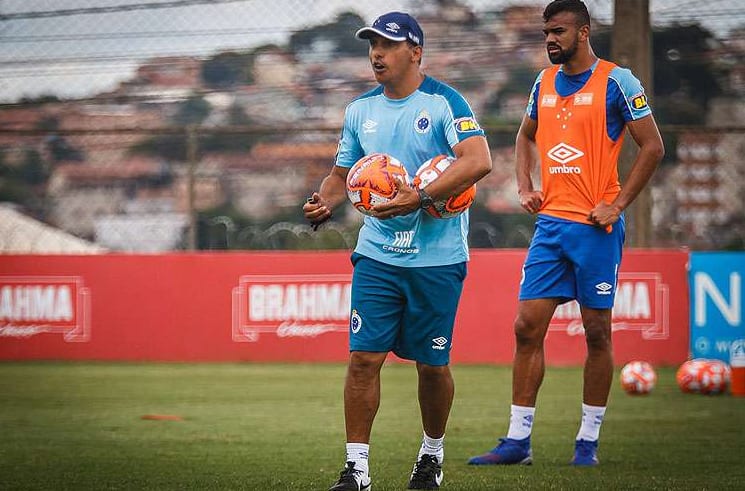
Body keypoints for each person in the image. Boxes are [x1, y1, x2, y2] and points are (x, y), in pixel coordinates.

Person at [468, 0, 664, 467]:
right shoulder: (543, 82)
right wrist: (524, 185)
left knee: (597, 332)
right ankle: (518, 442)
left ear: (583, 32)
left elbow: (653, 146)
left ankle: (587, 443)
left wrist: (616, 204)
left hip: (596, 231)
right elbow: (524, 135)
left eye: (558, 31)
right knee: (526, 327)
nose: (550, 40)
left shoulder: (618, 81)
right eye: (546, 33)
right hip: (550, 227)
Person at [303, 11, 492, 491]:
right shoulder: (359, 110)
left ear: (416, 51)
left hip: (437, 258)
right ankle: (357, 470)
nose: (376, 54)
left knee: (432, 365)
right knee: (363, 359)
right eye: (372, 45)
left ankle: (431, 456)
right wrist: (323, 199)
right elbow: (341, 173)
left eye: (387, 45)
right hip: (377, 255)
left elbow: (479, 160)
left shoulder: (446, 103)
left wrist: (421, 196)